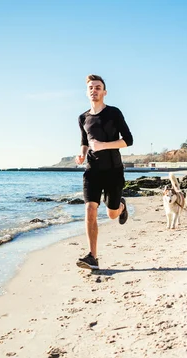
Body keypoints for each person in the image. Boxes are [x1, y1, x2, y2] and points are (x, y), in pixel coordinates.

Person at [74, 74, 134, 270]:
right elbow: (85, 142)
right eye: (91, 87)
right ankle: (93, 256)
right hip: (92, 171)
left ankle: (121, 207)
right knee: (90, 209)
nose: (94, 90)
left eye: (98, 87)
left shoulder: (114, 113)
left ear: (104, 92)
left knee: (111, 214)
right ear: (87, 92)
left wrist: (103, 146)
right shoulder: (83, 117)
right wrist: (82, 155)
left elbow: (128, 140)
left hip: (113, 170)